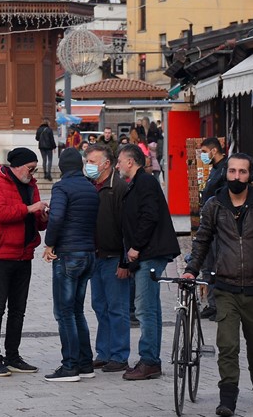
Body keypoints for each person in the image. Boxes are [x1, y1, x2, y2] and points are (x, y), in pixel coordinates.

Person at [185, 154, 253, 416]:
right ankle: (228, 397)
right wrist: (191, 270)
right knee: (228, 345)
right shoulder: (215, 205)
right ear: (226, 174)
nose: (236, 176)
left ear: (250, 175)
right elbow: (203, 240)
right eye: (232, 171)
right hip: (226, 286)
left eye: (242, 172)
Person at [0, 147, 49, 378]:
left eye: (35, 169)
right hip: (1, 255)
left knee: (18, 310)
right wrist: (30, 208)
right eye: (31, 168)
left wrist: (42, 216)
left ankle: (13, 356)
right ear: (17, 166)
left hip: (24, 254)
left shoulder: (31, 185)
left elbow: (38, 223)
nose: (33, 173)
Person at [118, 143, 181, 381]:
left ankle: (150, 360)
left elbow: (149, 215)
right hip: (147, 253)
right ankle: (150, 358)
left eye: (120, 161)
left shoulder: (145, 182)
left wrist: (136, 247)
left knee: (145, 308)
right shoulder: (135, 183)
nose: (118, 165)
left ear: (131, 162)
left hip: (151, 252)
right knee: (150, 308)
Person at [41, 148, 100, 381]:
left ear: (62, 167)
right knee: (77, 310)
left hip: (68, 254)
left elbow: (56, 218)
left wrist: (49, 244)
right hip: (88, 253)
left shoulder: (61, 187)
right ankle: (86, 364)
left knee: (64, 312)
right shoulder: (90, 187)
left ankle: (70, 366)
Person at [84, 143, 130, 373]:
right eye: (87, 161)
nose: (88, 166)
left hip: (114, 257)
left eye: (92, 162)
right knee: (99, 306)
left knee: (117, 308)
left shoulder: (119, 187)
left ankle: (120, 355)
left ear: (106, 164)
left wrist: (125, 261)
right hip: (96, 256)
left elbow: (127, 228)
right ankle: (104, 352)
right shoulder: (91, 186)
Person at [196, 137, 229, 319]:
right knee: (208, 266)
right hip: (209, 225)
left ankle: (220, 305)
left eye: (204, 151)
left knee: (217, 266)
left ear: (214, 151)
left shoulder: (224, 170)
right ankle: (212, 303)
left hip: (218, 226)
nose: (203, 155)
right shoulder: (215, 170)